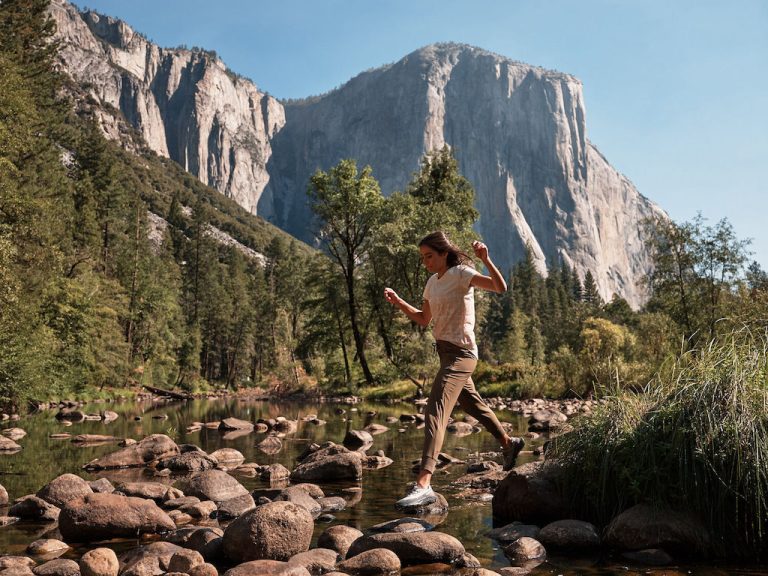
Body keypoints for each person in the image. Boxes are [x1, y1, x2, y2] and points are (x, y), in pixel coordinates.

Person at [384, 231, 524, 509]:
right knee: (474, 405)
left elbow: (500, 287)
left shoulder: (462, 273)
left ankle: (424, 483)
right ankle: (509, 443)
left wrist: (486, 260)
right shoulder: (431, 284)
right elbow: (424, 320)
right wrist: (399, 302)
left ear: (444, 253)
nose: (425, 262)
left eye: (430, 256)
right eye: (423, 258)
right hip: (445, 355)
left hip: (463, 354)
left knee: (435, 407)